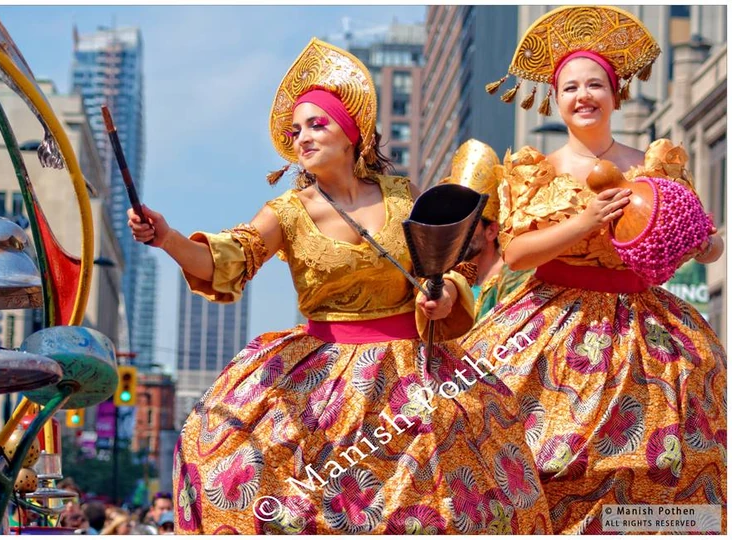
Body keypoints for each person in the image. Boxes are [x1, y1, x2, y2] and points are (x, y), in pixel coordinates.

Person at [128, 38, 551, 534]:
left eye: (317, 124)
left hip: (415, 372)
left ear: (352, 135)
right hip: (321, 383)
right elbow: (229, 258)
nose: (302, 137)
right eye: (296, 129)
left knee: (438, 501)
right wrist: (168, 237)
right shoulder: (286, 212)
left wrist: (446, 294)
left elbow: (449, 263)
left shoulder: (401, 195)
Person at [462, 5, 727, 534]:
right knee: (538, 456)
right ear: (556, 99)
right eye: (570, 88)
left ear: (615, 93)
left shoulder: (656, 165)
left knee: (666, 461)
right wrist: (584, 221)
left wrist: (703, 241)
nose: (584, 96)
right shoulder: (535, 169)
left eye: (595, 85)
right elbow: (516, 253)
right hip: (551, 325)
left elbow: (705, 247)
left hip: (648, 331)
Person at [440, 139, 533, 322]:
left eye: (466, 223)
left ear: (491, 231)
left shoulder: (515, 280)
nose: (455, 231)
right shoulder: (446, 279)